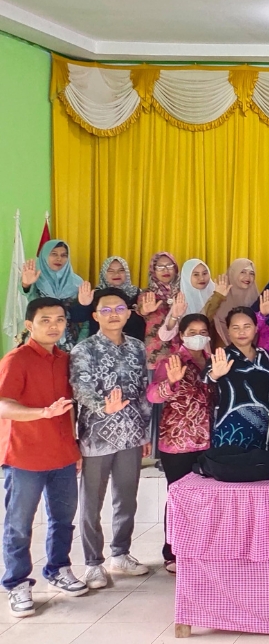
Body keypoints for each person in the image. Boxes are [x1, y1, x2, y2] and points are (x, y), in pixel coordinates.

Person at [0, 298, 88, 616]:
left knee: (62, 520)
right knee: (19, 525)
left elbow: (69, 409)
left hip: (63, 453)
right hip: (23, 455)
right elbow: (3, 405)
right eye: (45, 319)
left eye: (60, 320)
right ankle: (16, 583)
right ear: (29, 325)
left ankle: (58, 569)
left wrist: (75, 448)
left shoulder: (66, 358)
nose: (54, 325)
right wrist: (42, 413)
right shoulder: (16, 359)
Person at [69, 288, 153, 587]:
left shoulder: (137, 348)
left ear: (129, 313)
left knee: (126, 499)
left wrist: (144, 432)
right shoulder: (84, 350)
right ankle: (93, 562)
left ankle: (121, 553)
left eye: (119, 308)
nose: (113, 314)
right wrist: (104, 406)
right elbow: (80, 390)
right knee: (91, 502)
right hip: (95, 438)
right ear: (95, 315)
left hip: (131, 435)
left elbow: (144, 391)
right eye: (106, 310)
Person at [147, 312, 213, 574]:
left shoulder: (211, 360)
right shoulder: (171, 360)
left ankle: (198, 548)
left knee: (203, 499)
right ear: (182, 335)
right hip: (177, 441)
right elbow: (152, 395)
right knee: (178, 497)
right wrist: (171, 382)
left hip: (207, 440)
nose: (198, 337)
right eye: (192, 332)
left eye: (202, 331)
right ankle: (172, 551)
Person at [205, 307, 269, 448]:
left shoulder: (266, 356)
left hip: (265, 429)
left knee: (261, 467)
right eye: (235, 327)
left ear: (256, 328)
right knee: (230, 467)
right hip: (231, 430)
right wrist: (215, 375)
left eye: (247, 326)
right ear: (229, 331)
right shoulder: (221, 356)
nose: (241, 332)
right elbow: (204, 381)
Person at [20, 240, 84, 351]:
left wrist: (82, 343)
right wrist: (26, 284)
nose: (59, 259)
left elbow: (85, 318)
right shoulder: (36, 278)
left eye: (64, 255)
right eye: (54, 254)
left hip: (72, 341)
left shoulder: (77, 282)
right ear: (44, 256)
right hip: (40, 339)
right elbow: (29, 297)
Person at [70, 256, 145, 342]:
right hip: (100, 347)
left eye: (121, 270)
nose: (116, 274)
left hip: (133, 347)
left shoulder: (138, 294)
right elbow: (76, 318)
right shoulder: (95, 295)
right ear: (104, 273)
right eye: (110, 271)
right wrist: (83, 305)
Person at [140, 252, 181, 369]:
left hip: (181, 351)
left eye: (169, 266)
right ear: (153, 270)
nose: (165, 270)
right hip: (156, 354)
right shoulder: (147, 294)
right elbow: (140, 310)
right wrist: (145, 310)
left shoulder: (183, 292)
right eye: (160, 267)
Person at [213, 259, 259, 347]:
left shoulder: (257, 298)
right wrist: (217, 298)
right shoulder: (219, 297)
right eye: (243, 272)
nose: (248, 277)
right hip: (221, 352)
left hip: (251, 352)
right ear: (233, 273)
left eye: (251, 273)